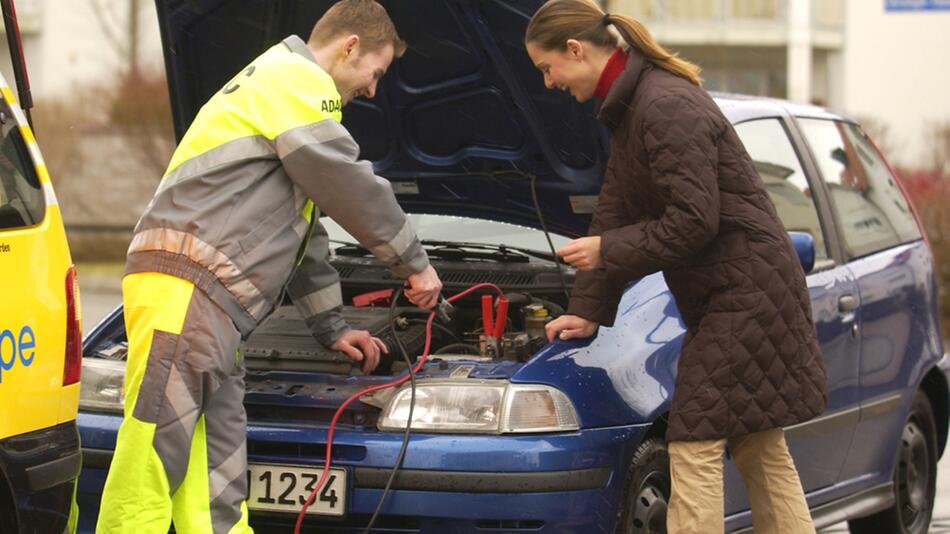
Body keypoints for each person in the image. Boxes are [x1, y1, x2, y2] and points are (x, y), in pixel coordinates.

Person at [96, 1, 442, 532]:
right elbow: (348, 183)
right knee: (153, 457)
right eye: (375, 73)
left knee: (217, 471)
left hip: (209, 302)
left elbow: (303, 232)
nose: (373, 90)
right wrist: (414, 264)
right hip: (186, 288)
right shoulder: (294, 81)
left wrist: (332, 327)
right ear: (350, 46)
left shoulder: (283, 94)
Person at [524, 1, 827, 533]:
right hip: (734, 288)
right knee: (757, 441)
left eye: (547, 68)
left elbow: (693, 221)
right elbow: (615, 211)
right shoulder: (635, 106)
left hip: (746, 291)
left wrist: (606, 250)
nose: (548, 83)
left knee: (692, 437)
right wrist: (589, 309)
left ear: (575, 50)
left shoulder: (664, 105)